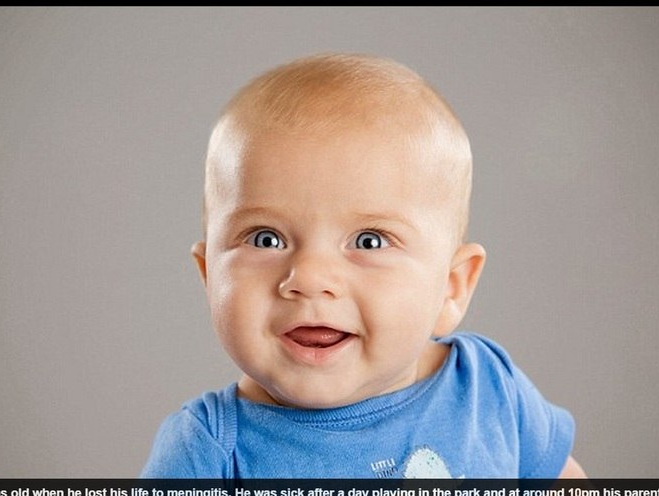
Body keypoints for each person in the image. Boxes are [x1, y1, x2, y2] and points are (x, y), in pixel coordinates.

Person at [140, 53, 586, 479]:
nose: (309, 279)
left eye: (369, 240)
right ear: (208, 277)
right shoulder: (208, 450)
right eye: (266, 239)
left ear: (452, 287)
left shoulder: (488, 389)